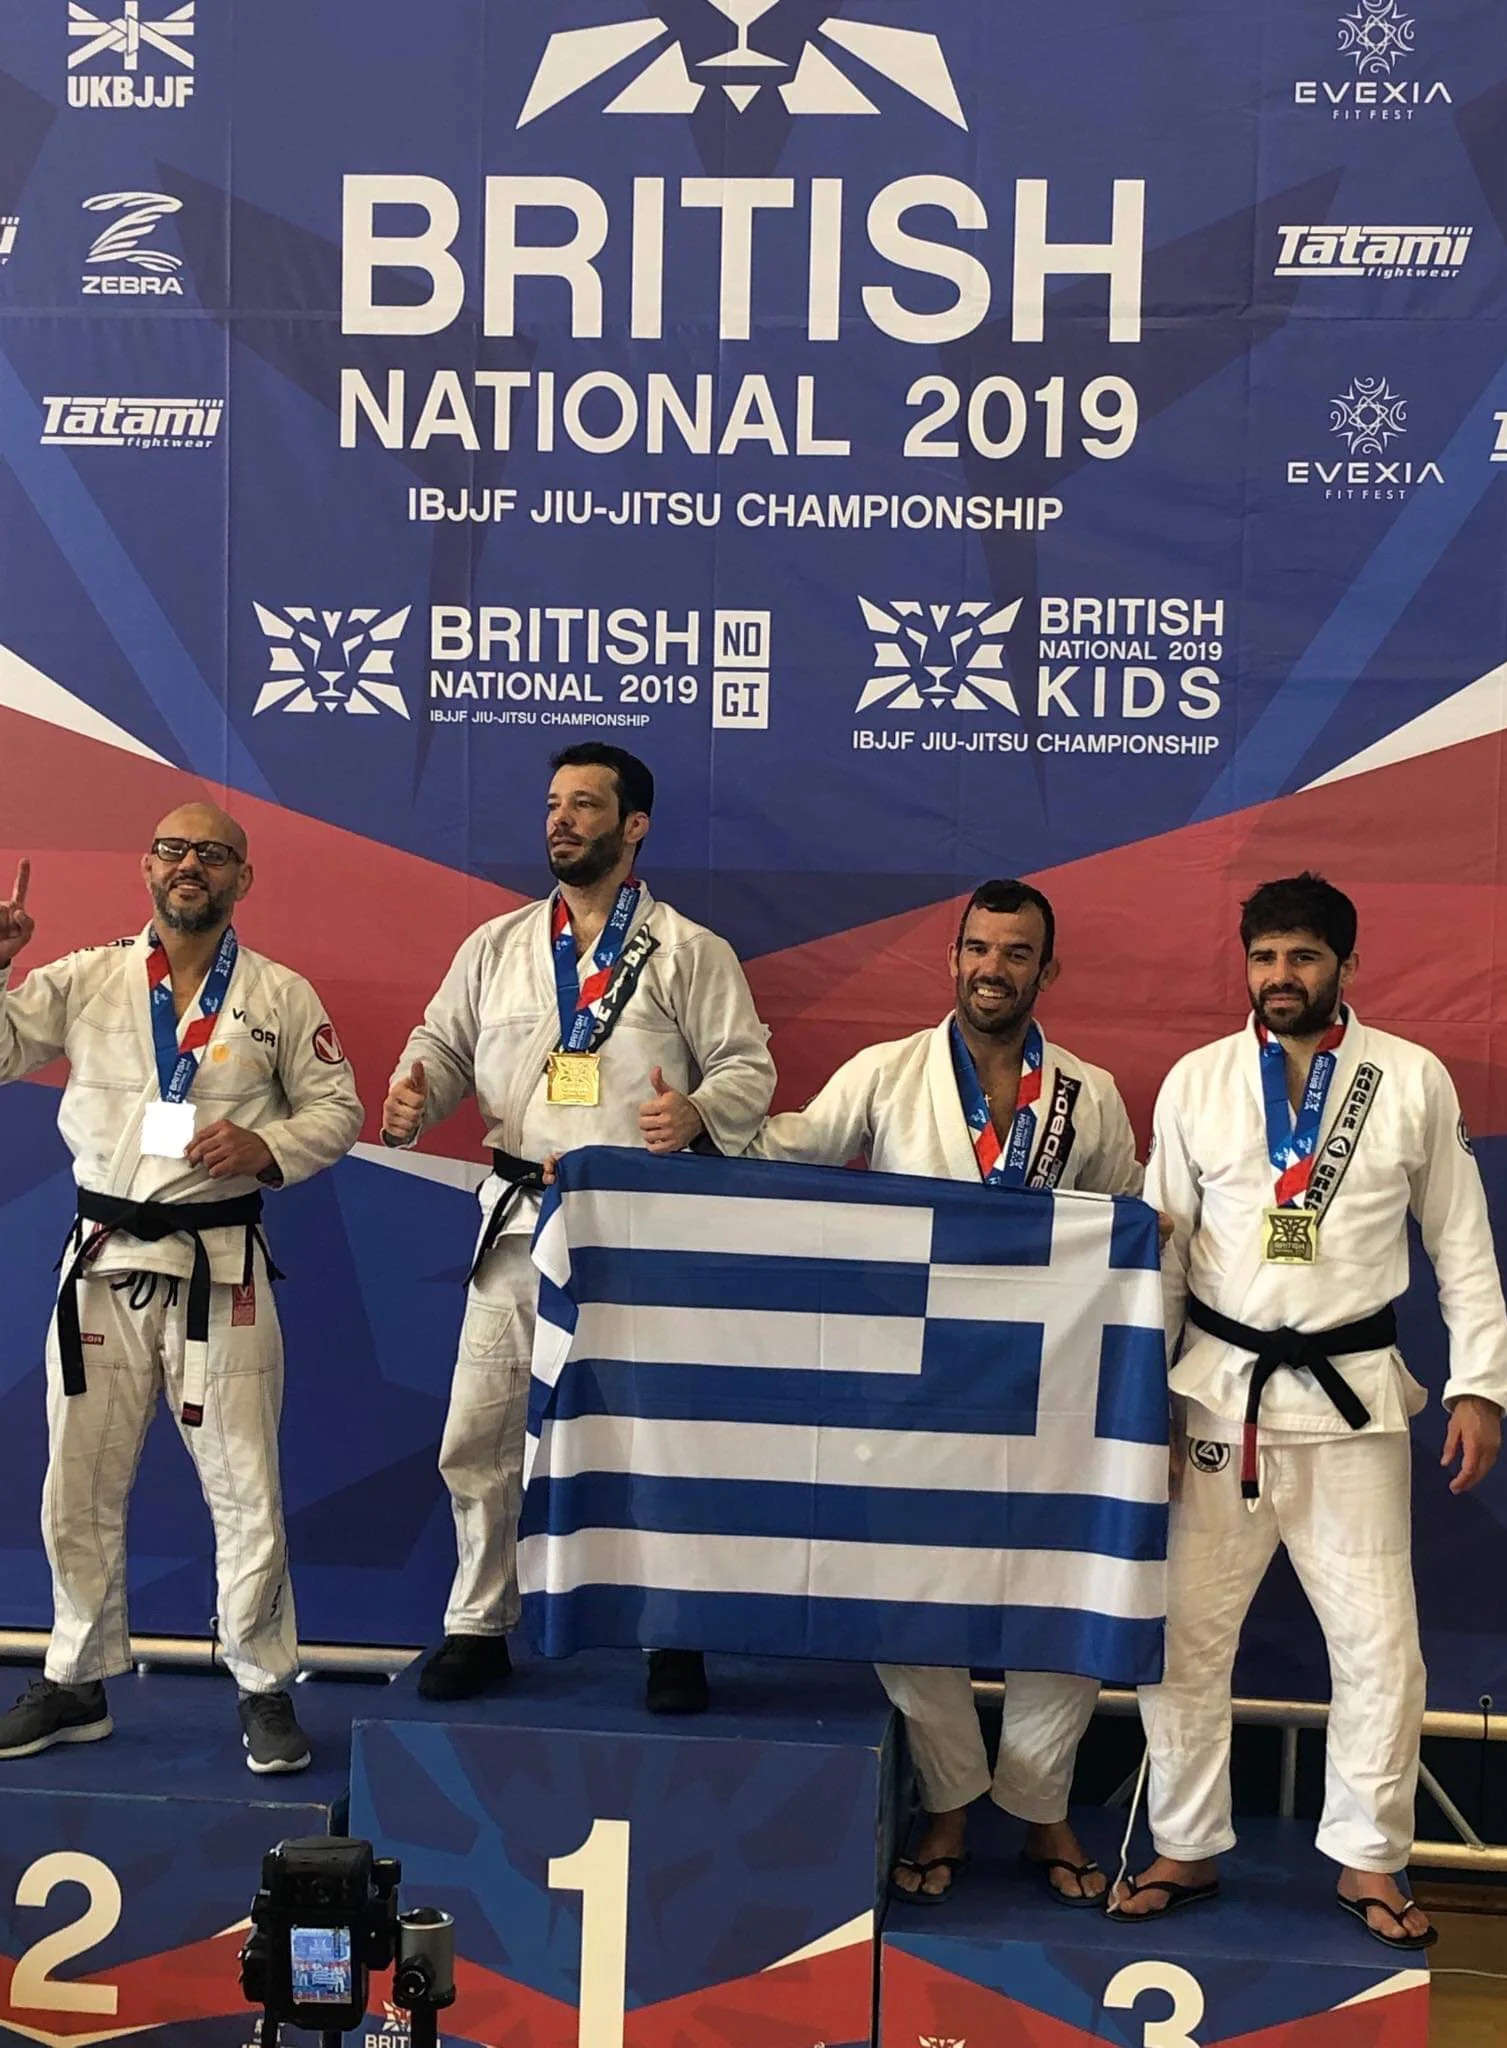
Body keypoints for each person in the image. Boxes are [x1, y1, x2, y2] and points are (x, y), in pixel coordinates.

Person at [1112, 872, 1507, 1949]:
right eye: (1264, 957)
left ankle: (1370, 1856)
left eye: (1301, 956)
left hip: (1354, 1405)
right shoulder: (1198, 1081)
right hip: (1217, 1395)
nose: (1280, 976)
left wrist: (1480, 1384)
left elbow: (1462, 1241)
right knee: (1185, 1639)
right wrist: (1142, 1402)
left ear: (1345, 963)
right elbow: (1163, 1254)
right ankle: (1185, 1841)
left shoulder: (1410, 1078)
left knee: (1382, 1646)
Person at [751, 878, 1143, 1905]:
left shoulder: (1088, 1093)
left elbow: (1129, 1225)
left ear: (1046, 970)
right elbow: (789, 1149)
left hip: (1052, 1384)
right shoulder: (887, 1073)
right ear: (953, 957)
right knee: (907, 1598)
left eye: (1016, 952)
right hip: (915, 1384)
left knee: (1066, 1591)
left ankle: (1043, 1803)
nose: (992, 968)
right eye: (977, 947)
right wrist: (687, 1130)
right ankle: (950, 1799)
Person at [383, 743, 775, 1713]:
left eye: (586, 804)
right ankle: (478, 1623)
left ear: (634, 825)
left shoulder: (688, 950)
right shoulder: (497, 946)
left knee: (654, 1440)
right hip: (519, 1223)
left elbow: (748, 1066)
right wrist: (417, 1090)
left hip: (636, 1229)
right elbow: (441, 1042)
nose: (561, 819)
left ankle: (671, 1632)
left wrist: (696, 1111)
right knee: (478, 1431)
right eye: (554, 803)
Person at [0, 803, 364, 1771]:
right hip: (103, 1262)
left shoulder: (279, 994)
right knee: (77, 1479)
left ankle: (262, 1684)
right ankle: (76, 1678)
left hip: (221, 1265)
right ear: (147, 868)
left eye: (211, 852)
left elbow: (338, 1108)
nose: (189, 864)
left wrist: (266, 1146)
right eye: (172, 849)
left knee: (246, 1485)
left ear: (243, 877)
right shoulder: (85, 976)